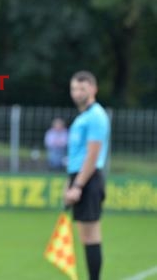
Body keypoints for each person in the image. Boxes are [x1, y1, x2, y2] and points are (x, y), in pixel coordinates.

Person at [64, 71, 110, 280]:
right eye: (74, 88)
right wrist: (70, 183)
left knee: (91, 234)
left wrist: (78, 186)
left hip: (88, 179)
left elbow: (92, 155)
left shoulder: (96, 116)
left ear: (93, 89)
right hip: (79, 177)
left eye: (82, 88)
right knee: (85, 235)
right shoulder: (83, 117)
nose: (77, 93)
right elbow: (76, 156)